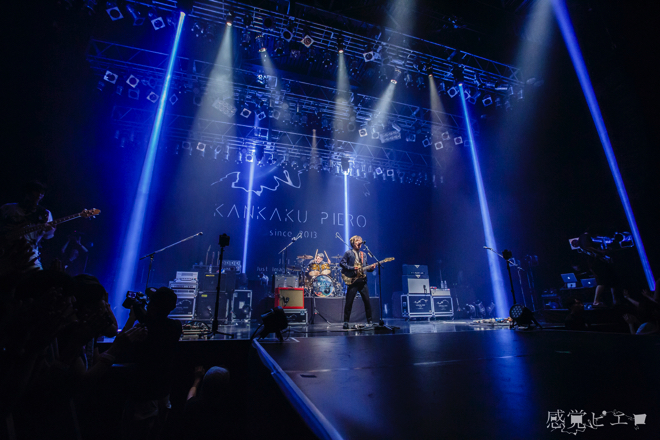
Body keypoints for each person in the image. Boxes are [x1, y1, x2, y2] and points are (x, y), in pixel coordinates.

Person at [0, 180, 55, 272]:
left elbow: (48, 236)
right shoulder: (8, 208)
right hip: (5, 252)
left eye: (42, 193)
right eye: (36, 191)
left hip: (30, 255)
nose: (39, 195)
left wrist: (50, 230)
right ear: (27, 192)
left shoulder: (45, 214)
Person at [339, 235, 374, 329]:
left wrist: (371, 268)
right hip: (353, 281)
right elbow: (342, 263)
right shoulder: (348, 253)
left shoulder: (364, 254)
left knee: (367, 301)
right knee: (349, 302)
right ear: (353, 243)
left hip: (363, 281)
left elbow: (365, 267)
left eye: (360, 241)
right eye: (357, 241)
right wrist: (352, 268)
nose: (359, 242)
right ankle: (346, 322)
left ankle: (370, 321)